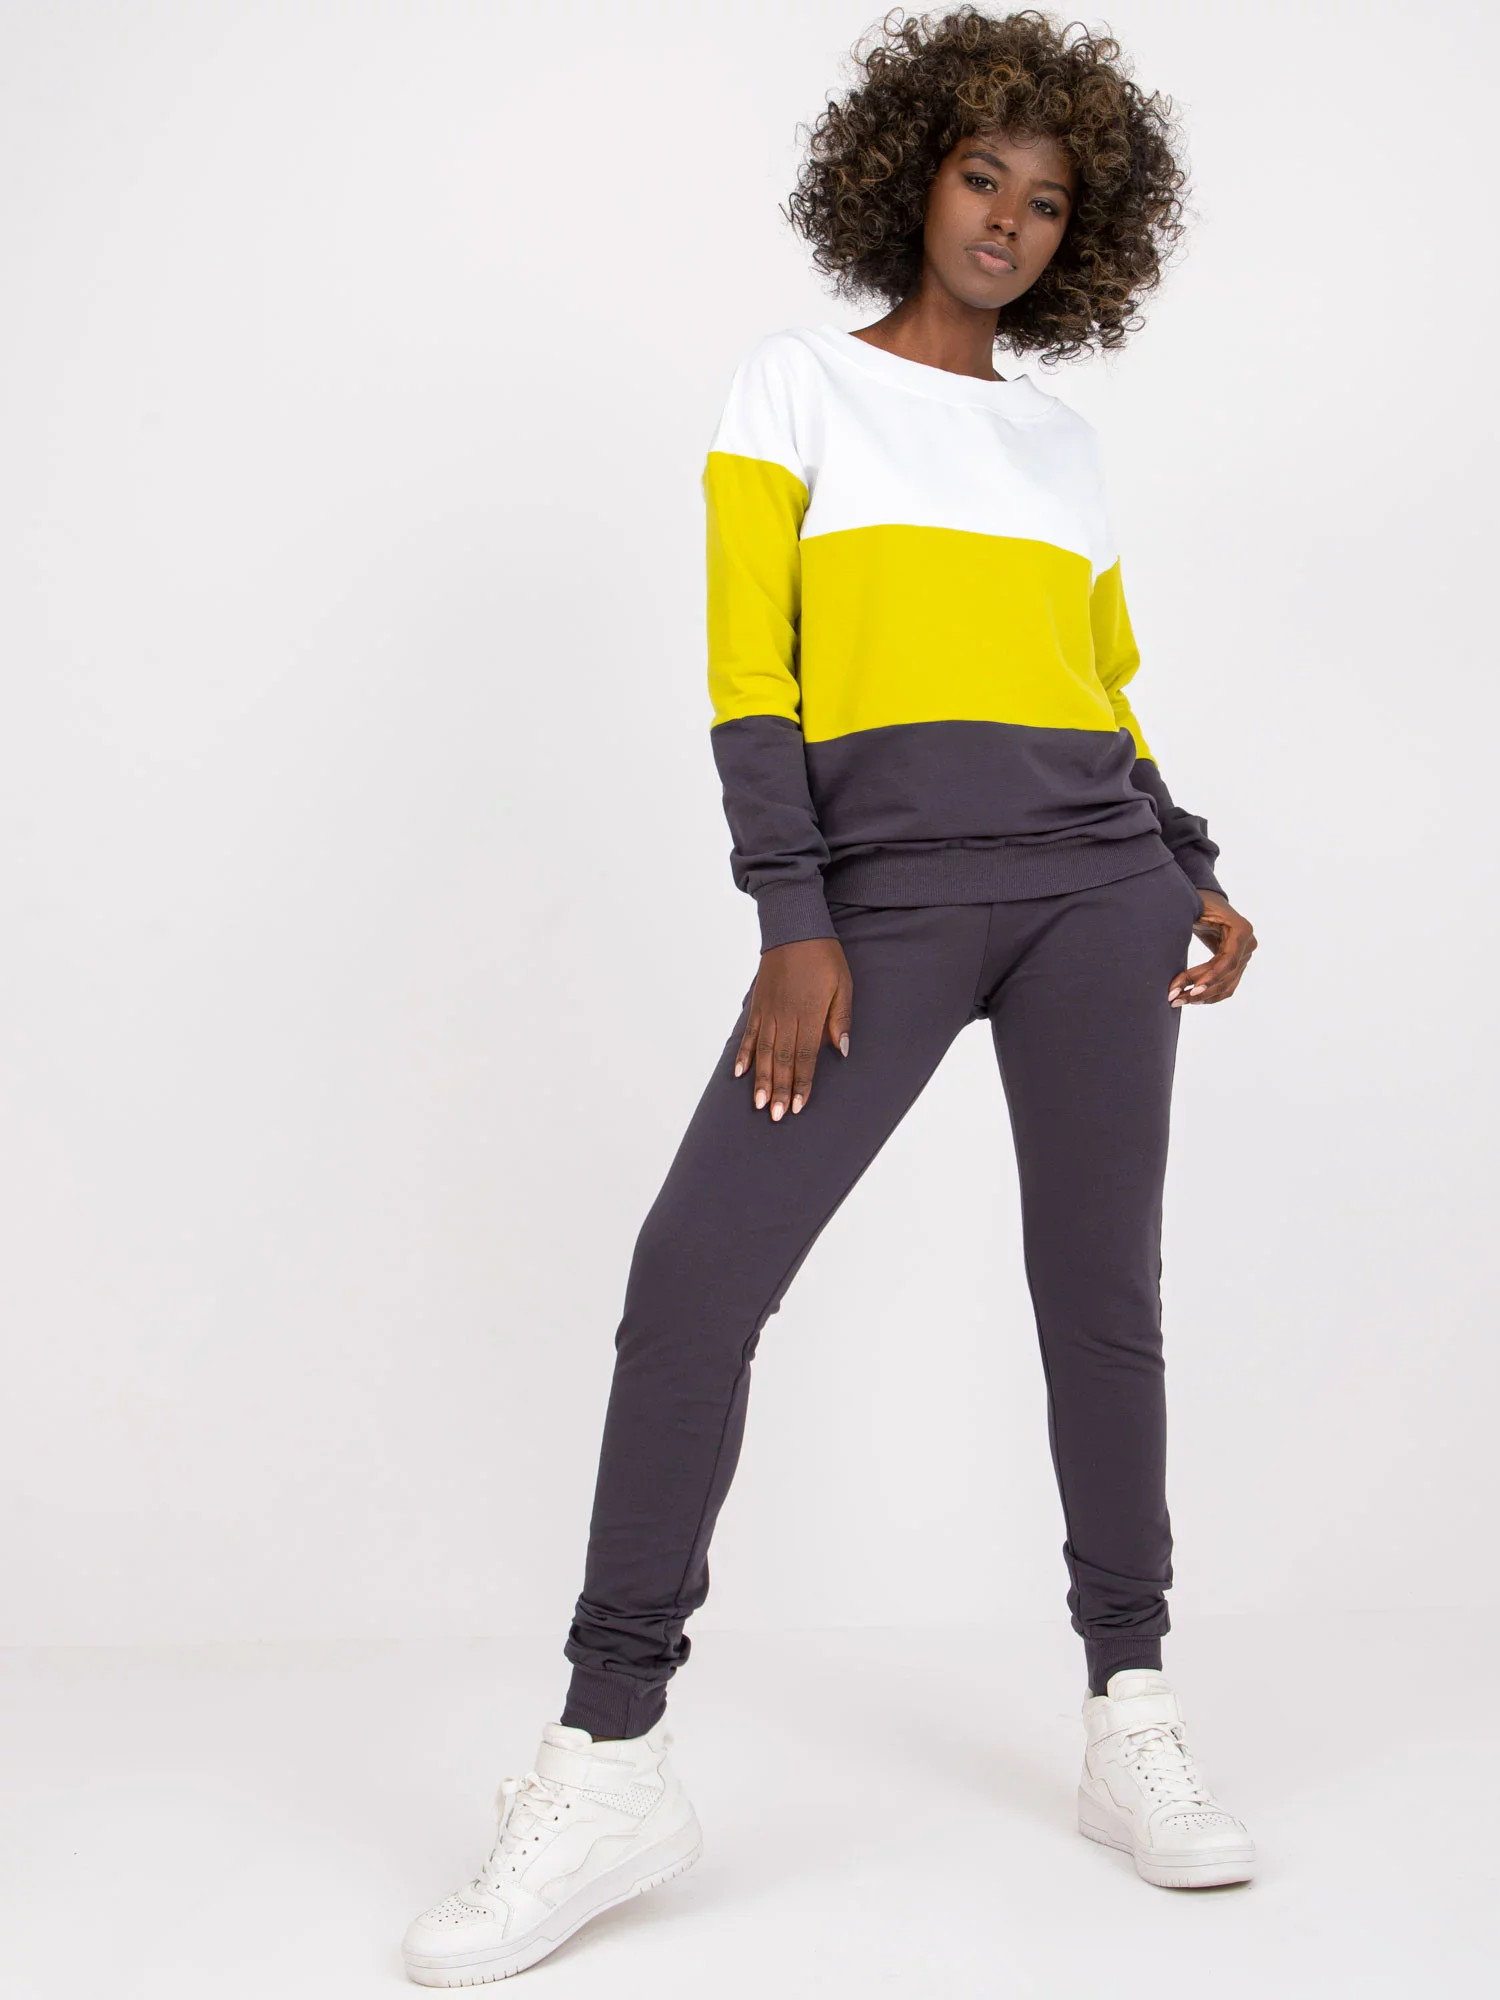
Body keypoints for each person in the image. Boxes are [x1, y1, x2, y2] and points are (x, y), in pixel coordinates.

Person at [402, 7, 1260, 1984]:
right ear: (910, 173)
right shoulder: (791, 387)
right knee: (696, 1276)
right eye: (982, 176)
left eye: (1050, 202)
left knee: (1101, 1297)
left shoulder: (1060, 442)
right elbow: (752, 679)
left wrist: (1189, 859)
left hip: (1096, 896)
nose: (1009, 220)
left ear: (1088, 235)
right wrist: (794, 916)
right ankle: (610, 1757)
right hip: (875, 914)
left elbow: (1097, 694)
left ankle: (1130, 1710)